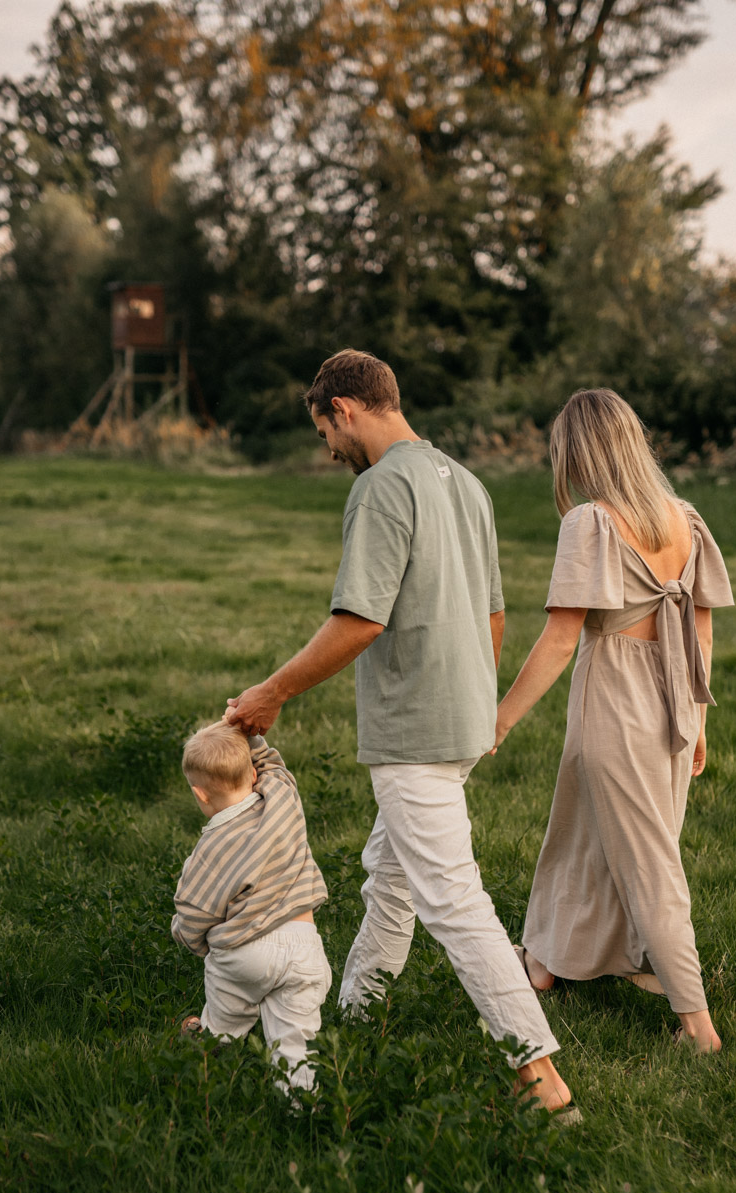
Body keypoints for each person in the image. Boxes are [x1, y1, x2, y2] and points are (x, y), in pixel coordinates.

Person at [225, 348, 574, 1116]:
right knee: (391, 877)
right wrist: (479, 703)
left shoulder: (381, 488)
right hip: (461, 720)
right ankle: (355, 1014)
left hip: (414, 728)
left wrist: (272, 692)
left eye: (326, 434)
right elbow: (494, 611)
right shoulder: (466, 481)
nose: (329, 452)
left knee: (453, 899)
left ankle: (540, 1074)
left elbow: (360, 619)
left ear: (343, 409)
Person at [491, 389, 734, 1052]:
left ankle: (696, 1022)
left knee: (646, 860)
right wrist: (698, 719)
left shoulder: (591, 523)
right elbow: (700, 628)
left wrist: (502, 718)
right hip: (670, 702)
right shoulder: (684, 519)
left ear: (575, 453)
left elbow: (562, 639)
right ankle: (544, 959)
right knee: (579, 833)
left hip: (617, 704)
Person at [171, 720, 330, 1091]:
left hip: (244, 953)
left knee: (227, 1008)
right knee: (296, 1040)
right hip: (303, 946)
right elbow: (274, 765)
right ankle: (303, 1104)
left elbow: (193, 912)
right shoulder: (284, 799)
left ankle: (213, 1040)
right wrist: (246, 729)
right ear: (255, 771)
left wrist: (192, 941)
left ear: (201, 794)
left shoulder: (208, 852)